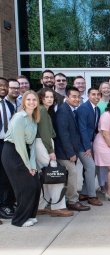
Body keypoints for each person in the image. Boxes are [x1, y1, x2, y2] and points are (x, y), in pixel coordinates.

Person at [1, 91, 40, 227]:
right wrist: (28, 166)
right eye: (28, 99)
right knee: (26, 186)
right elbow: (19, 144)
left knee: (35, 184)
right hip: (12, 152)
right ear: (23, 102)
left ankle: (29, 215)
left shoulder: (34, 118)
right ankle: (19, 220)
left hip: (25, 152)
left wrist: (33, 165)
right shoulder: (19, 117)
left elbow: (33, 144)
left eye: (34, 100)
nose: (31, 102)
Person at [36, 88, 73, 217]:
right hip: (43, 145)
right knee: (54, 174)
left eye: (51, 97)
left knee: (45, 176)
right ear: (41, 98)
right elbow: (45, 134)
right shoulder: (42, 110)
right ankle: (58, 207)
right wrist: (51, 151)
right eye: (47, 97)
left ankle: (40, 206)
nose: (50, 99)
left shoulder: (44, 111)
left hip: (42, 144)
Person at [54, 87, 90, 211]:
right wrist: (70, 153)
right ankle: (72, 201)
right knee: (73, 174)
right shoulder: (63, 111)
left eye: (78, 97)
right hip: (64, 153)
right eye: (74, 96)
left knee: (71, 175)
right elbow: (63, 134)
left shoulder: (70, 110)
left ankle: (69, 199)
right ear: (67, 97)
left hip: (69, 151)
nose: (77, 99)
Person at [76, 88, 103, 207]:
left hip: (91, 143)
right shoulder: (83, 108)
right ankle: (92, 196)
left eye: (98, 95)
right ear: (88, 95)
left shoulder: (96, 109)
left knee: (93, 168)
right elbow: (82, 129)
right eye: (93, 94)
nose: (96, 96)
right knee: (91, 167)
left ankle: (84, 193)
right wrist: (87, 147)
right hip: (82, 144)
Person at [0, 78, 17, 221]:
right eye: (0, 85)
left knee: (6, 175)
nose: (3, 88)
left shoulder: (9, 105)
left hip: (6, 143)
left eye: (5, 86)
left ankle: (7, 204)